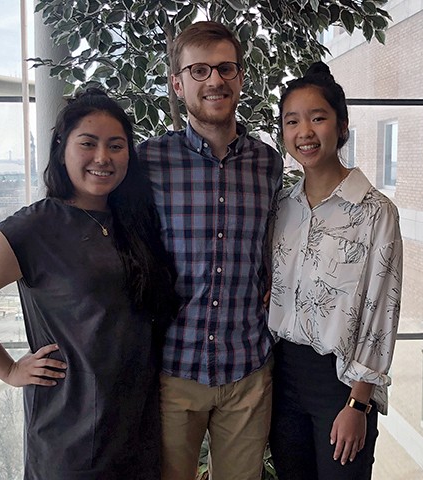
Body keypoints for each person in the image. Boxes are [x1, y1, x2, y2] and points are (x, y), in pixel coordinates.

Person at [0, 88, 179, 480]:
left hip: (137, 430)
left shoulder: (134, 223)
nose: (103, 158)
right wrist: (10, 370)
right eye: (88, 143)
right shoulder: (34, 228)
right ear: (62, 148)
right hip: (70, 436)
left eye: (116, 146)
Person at [138, 20, 284, 480]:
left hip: (248, 371)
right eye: (199, 70)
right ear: (178, 84)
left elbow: (273, 242)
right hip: (172, 370)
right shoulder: (147, 162)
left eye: (225, 68)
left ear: (240, 78)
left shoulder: (268, 162)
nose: (214, 80)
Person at [267, 62, 403, 480]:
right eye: (292, 121)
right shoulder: (281, 206)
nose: (304, 131)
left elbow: (382, 309)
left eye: (317, 118)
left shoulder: (375, 211)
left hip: (339, 385)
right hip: (281, 376)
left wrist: (358, 404)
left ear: (341, 126)